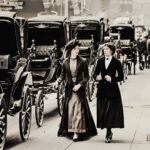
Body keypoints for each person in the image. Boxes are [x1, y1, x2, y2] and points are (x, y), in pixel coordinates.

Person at [56, 39, 97, 141]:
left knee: (78, 111)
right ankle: (71, 129)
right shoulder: (65, 62)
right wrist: (58, 81)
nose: (77, 50)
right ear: (70, 50)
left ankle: (76, 132)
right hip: (69, 90)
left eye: (78, 49)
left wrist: (80, 85)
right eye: (75, 49)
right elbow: (62, 75)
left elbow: (87, 77)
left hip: (79, 90)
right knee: (70, 111)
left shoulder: (83, 61)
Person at [93, 42, 124, 143]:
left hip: (112, 91)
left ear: (111, 51)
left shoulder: (117, 62)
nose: (104, 51)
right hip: (102, 90)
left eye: (106, 49)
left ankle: (108, 133)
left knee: (109, 112)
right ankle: (108, 131)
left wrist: (112, 78)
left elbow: (121, 77)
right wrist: (97, 77)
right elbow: (95, 74)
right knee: (103, 112)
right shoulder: (100, 61)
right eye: (104, 49)